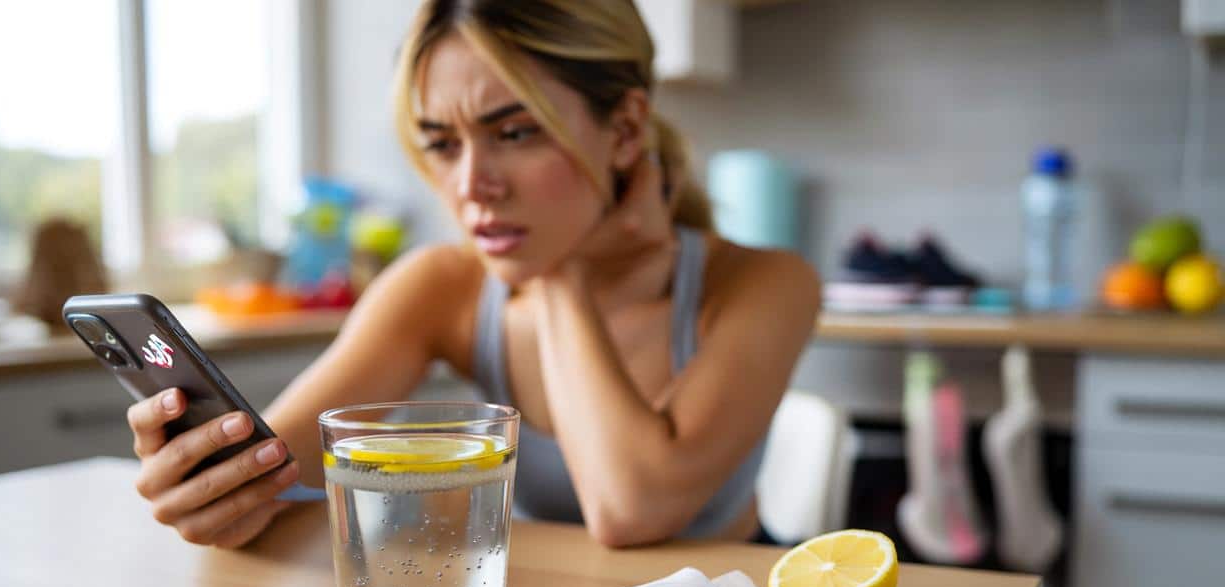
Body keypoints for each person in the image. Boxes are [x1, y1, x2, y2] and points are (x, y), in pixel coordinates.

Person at [125, 0, 819, 550]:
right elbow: (273, 476)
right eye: (442, 144)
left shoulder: (766, 285)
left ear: (628, 130)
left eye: (515, 133)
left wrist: (562, 278)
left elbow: (631, 510)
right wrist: (212, 493)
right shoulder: (439, 286)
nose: (471, 186)